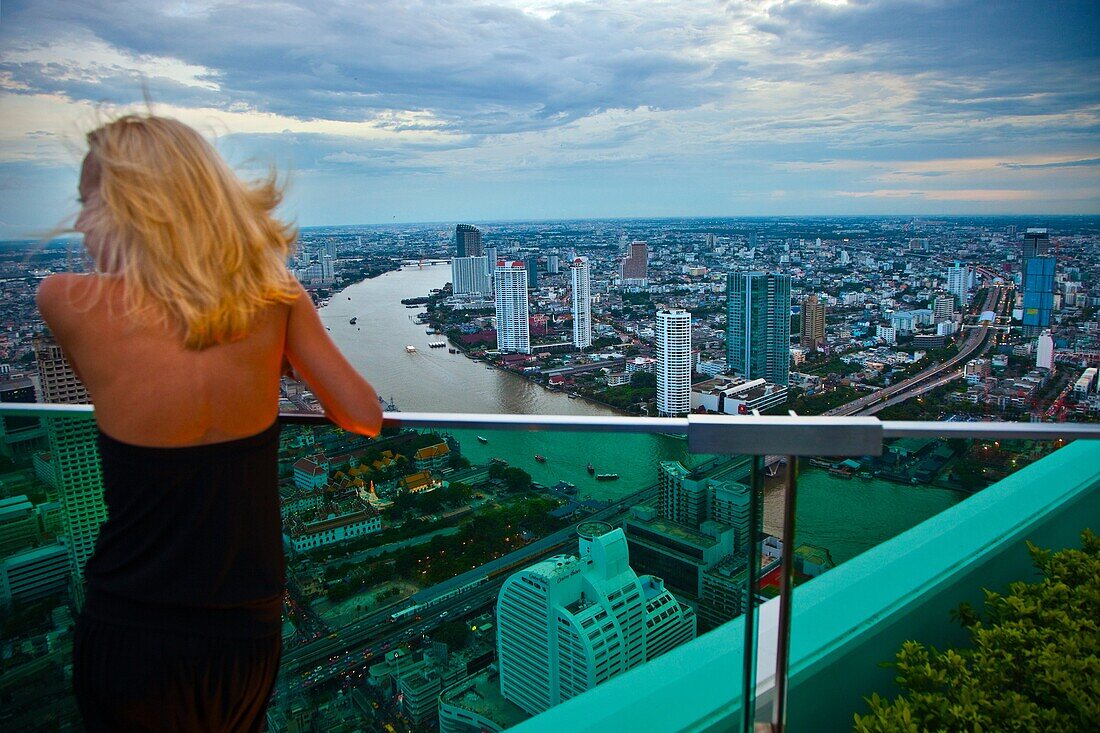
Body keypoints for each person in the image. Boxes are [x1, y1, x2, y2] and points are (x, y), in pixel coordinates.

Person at [36, 113, 384, 731]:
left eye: (88, 201)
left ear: (130, 206)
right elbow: (362, 417)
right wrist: (275, 355)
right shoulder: (276, 296)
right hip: (246, 622)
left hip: (132, 617)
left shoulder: (67, 300)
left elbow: (125, 386)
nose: (82, 220)